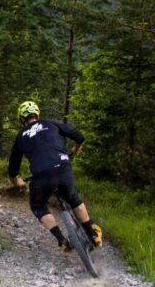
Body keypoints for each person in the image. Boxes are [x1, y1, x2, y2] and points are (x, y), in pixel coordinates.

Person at [8, 100, 102, 252]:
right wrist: (76, 150)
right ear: (37, 115)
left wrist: (17, 182)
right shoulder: (52, 123)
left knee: (38, 206)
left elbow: (13, 168)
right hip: (63, 167)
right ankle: (92, 234)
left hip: (42, 175)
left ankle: (62, 241)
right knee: (73, 198)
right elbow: (79, 137)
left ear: (21, 119)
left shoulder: (21, 137)